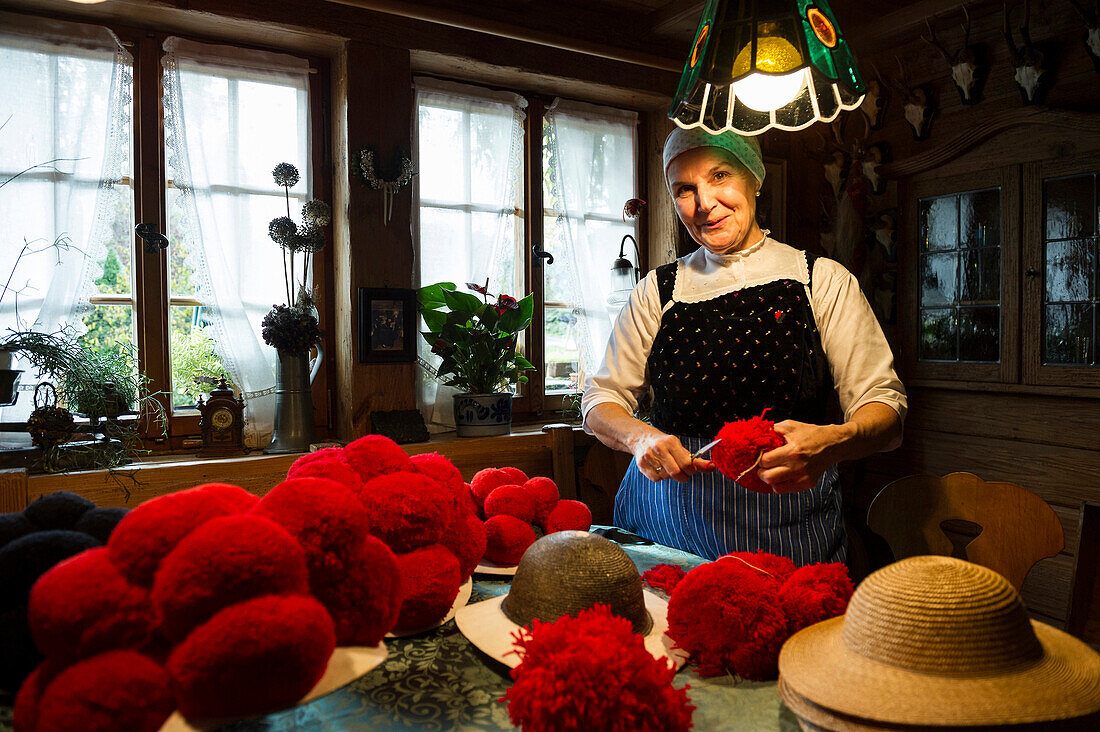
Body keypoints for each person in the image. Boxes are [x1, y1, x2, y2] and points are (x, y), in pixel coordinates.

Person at [581, 127, 906, 564]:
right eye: (684, 189)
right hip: (664, 528)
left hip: (785, 532)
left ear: (755, 177)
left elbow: (884, 409)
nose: (704, 204)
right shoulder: (657, 291)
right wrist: (640, 439)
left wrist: (834, 441)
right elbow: (600, 398)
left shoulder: (820, 281)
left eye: (720, 176)